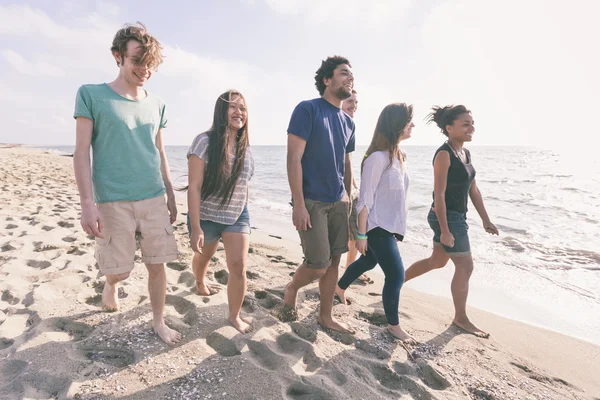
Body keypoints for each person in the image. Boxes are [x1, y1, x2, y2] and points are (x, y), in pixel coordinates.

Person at [73, 23, 181, 345]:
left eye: (149, 63)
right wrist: (87, 203)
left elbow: (159, 151)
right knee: (120, 270)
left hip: (153, 197)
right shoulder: (91, 95)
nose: (144, 69)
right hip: (112, 200)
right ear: (117, 56)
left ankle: (159, 321)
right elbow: (81, 152)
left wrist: (171, 194)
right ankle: (111, 284)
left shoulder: (157, 103)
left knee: (157, 265)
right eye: (137, 61)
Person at [404, 105, 499, 338]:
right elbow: (439, 195)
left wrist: (486, 219)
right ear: (449, 128)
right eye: (465, 124)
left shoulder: (465, 153)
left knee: (437, 261)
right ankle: (461, 318)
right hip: (444, 216)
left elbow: (473, 189)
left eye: (472, 123)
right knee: (465, 266)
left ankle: (395, 283)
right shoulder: (444, 154)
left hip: (456, 216)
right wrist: (445, 230)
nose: (471, 127)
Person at [281, 56, 355, 334]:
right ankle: (292, 287)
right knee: (318, 265)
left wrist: (347, 198)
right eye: (344, 73)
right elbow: (293, 158)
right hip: (312, 200)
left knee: (335, 259)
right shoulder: (307, 109)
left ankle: (325, 316)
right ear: (327, 80)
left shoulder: (348, 122)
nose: (350, 78)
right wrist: (298, 204)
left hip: (339, 201)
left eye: (352, 75)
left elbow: (345, 163)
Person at [335, 103, 416, 342]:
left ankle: (338, 289)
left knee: (368, 262)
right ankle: (393, 325)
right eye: (409, 120)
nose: (412, 125)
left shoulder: (399, 156)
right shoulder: (376, 159)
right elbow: (365, 200)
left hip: (390, 227)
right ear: (397, 124)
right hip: (376, 226)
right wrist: (361, 235)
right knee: (396, 275)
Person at [186, 90, 255, 334]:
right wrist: (196, 228)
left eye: (243, 108)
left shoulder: (246, 147)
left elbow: (244, 184)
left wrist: (243, 211)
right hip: (206, 215)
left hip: (237, 215)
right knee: (205, 256)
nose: (239, 112)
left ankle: (234, 316)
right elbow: (193, 187)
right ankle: (199, 281)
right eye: (233, 107)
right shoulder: (204, 142)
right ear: (221, 111)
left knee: (238, 266)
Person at [341, 90, 371, 284]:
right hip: (337, 190)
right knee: (348, 236)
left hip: (349, 189)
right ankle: (347, 271)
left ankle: (350, 270)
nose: (354, 106)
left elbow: (348, 159)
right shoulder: (336, 121)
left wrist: (353, 184)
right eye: (350, 101)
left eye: (356, 103)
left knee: (353, 235)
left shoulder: (350, 125)